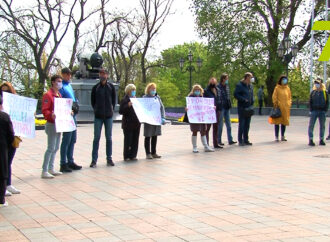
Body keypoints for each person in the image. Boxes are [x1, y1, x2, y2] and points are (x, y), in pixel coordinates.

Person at [90, 69, 116, 168]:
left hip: (108, 116)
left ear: (107, 75)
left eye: (104, 74)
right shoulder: (95, 88)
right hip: (98, 117)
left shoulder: (111, 87)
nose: (103, 75)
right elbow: (93, 101)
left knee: (109, 138)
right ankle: (94, 160)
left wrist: (111, 109)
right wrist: (96, 110)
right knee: (96, 138)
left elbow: (113, 100)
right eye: (101, 74)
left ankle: (109, 158)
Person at [59, 68, 82, 172]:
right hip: (66, 115)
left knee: (73, 139)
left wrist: (76, 104)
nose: (69, 76)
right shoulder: (61, 86)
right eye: (67, 74)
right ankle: (63, 163)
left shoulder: (69, 85)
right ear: (63, 74)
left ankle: (70, 160)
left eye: (70, 74)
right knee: (66, 140)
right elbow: (61, 101)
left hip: (73, 114)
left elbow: (73, 98)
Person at [0, 82, 21, 196]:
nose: (4, 94)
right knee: (4, 162)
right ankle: (3, 186)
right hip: (3, 136)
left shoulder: (15, 102)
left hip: (13, 135)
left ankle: (8, 184)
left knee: (9, 161)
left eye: (7, 91)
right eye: (2, 91)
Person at [41, 75, 63, 179]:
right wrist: (51, 115)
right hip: (51, 124)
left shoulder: (59, 94)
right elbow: (45, 110)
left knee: (56, 147)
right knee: (50, 147)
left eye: (61, 81)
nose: (60, 83)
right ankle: (44, 170)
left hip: (59, 124)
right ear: (53, 82)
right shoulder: (48, 95)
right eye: (58, 81)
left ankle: (51, 167)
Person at [187, 84, 214, 153]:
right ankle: (194, 147)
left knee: (203, 131)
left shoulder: (202, 97)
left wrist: (212, 107)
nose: (197, 91)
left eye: (198, 90)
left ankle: (206, 146)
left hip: (202, 118)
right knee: (195, 131)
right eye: (196, 90)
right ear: (193, 91)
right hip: (195, 118)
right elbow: (188, 106)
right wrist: (187, 108)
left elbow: (206, 106)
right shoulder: (190, 98)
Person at [143, 83, 165, 159]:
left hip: (156, 119)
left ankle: (154, 152)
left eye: (154, 89)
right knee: (148, 136)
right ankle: (148, 153)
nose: (153, 90)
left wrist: (163, 117)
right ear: (148, 89)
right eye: (152, 89)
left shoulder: (157, 97)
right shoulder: (145, 98)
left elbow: (162, 107)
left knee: (155, 136)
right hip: (148, 120)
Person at [119, 84, 141, 161]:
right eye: (132, 90)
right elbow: (121, 111)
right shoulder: (124, 100)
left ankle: (133, 155)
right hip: (128, 124)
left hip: (136, 123)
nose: (134, 92)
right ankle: (126, 156)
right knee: (128, 140)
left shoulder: (136, 99)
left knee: (135, 140)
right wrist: (127, 106)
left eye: (134, 90)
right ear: (128, 91)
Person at [0, 95, 15, 207]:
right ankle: (1, 199)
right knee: (2, 171)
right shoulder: (4, 116)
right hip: (2, 147)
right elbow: (11, 134)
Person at [234, 72, 255, 146]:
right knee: (242, 124)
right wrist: (243, 99)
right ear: (247, 77)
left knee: (247, 124)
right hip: (242, 107)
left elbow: (252, 94)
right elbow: (236, 94)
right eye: (251, 77)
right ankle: (240, 140)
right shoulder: (240, 85)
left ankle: (246, 139)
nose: (252, 78)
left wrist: (252, 100)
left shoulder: (250, 86)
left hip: (249, 107)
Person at [269, 75, 292, 142]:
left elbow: (290, 97)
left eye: (285, 79)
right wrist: (277, 104)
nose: (284, 81)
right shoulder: (277, 88)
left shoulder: (287, 88)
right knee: (277, 122)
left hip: (286, 108)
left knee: (284, 122)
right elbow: (274, 97)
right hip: (279, 108)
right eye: (283, 79)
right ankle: (276, 136)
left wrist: (289, 103)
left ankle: (282, 135)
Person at [217, 73, 237, 146]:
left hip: (227, 107)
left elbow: (228, 96)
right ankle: (219, 140)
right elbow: (218, 97)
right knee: (220, 125)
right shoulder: (218, 87)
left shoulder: (227, 86)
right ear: (223, 79)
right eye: (226, 79)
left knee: (229, 124)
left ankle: (230, 139)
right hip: (221, 107)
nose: (227, 80)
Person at [308, 79, 329, 146]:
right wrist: (311, 110)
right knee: (311, 125)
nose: (317, 84)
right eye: (316, 83)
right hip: (314, 111)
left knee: (322, 126)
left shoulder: (324, 92)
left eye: (318, 83)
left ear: (321, 84)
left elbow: (327, 102)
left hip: (322, 111)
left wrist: (325, 110)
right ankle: (311, 139)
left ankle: (321, 139)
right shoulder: (313, 92)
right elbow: (310, 101)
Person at [204, 77, 222, 148]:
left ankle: (216, 143)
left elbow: (219, 99)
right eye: (211, 82)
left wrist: (219, 107)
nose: (213, 84)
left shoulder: (218, 90)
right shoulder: (206, 91)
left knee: (216, 128)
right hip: (209, 112)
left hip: (217, 111)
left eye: (214, 83)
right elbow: (204, 101)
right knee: (207, 128)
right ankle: (207, 144)